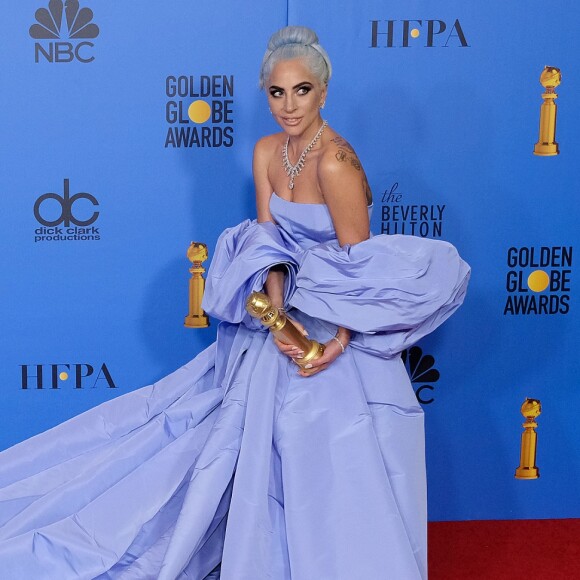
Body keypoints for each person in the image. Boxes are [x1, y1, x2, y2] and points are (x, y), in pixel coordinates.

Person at [0, 26, 469, 579]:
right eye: (277, 92)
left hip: (339, 333)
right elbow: (267, 245)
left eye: (302, 91)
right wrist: (276, 320)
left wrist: (331, 346)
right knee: (239, 449)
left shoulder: (337, 163)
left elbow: (360, 277)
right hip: (281, 325)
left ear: (323, 92)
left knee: (325, 455)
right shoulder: (268, 152)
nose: (289, 105)